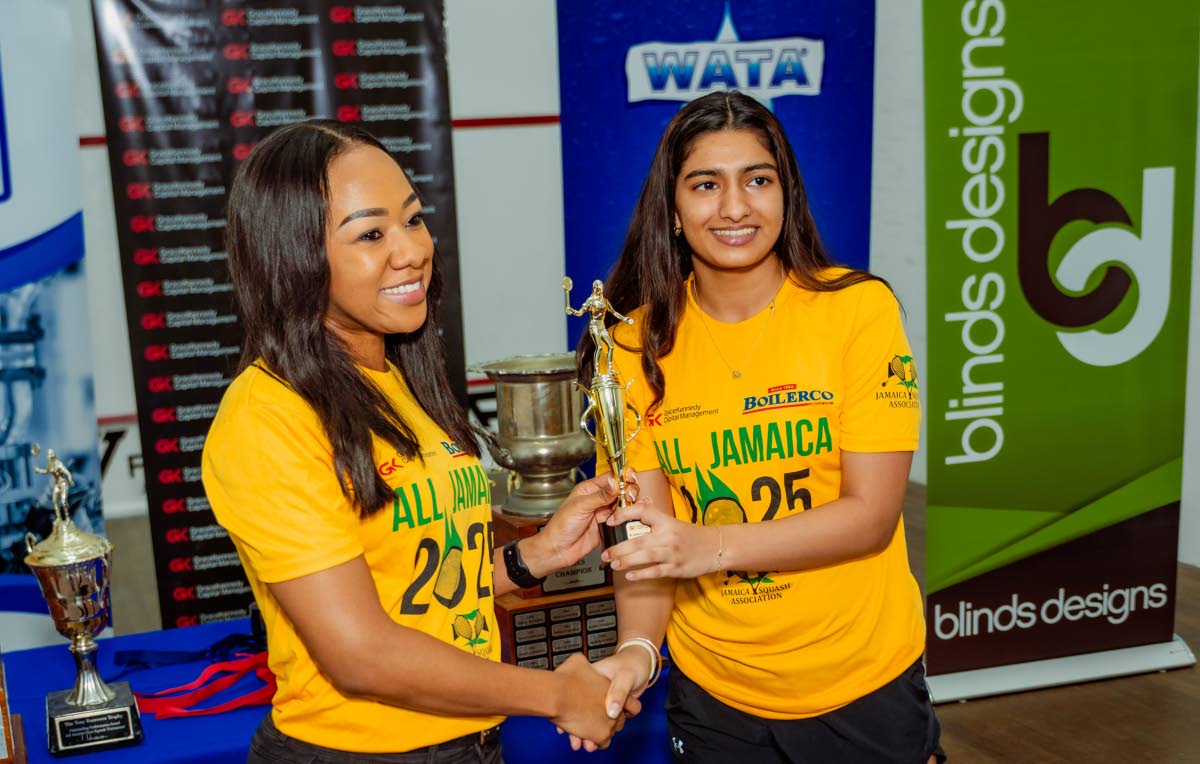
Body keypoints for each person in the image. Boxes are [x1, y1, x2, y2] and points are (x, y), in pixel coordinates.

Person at [201, 120, 638, 763]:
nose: (411, 250)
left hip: (466, 743)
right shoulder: (266, 416)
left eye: (413, 219)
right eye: (371, 234)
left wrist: (535, 557)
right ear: (294, 254)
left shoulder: (397, 379)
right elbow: (360, 655)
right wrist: (553, 694)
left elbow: (420, 593)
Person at [577, 92, 946, 763]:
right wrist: (634, 653)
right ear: (674, 207)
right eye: (706, 185)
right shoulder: (630, 347)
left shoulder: (858, 311)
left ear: (787, 193)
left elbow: (871, 515)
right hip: (717, 693)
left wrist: (707, 546)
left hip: (861, 681)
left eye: (757, 180)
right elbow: (647, 541)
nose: (735, 207)